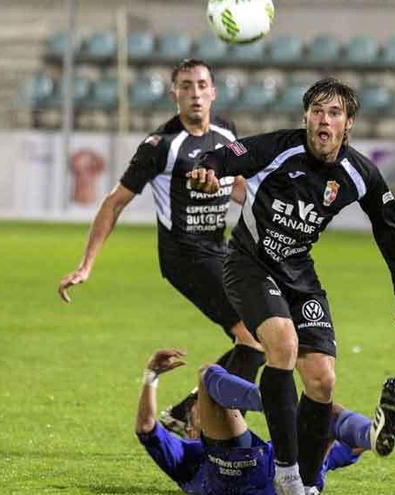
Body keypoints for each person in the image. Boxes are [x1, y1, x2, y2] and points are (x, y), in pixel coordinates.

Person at [187, 78, 395, 494]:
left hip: (299, 274)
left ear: (348, 123)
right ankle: (287, 475)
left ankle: (308, 485)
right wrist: (208, 168)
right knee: (283, 346)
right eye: (316, 111)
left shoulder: (359, 173)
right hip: (250, 264)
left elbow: (391, 231)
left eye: (333, 113)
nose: (322, 120)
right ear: (306, 117)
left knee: (322, 380)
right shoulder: (282, 148)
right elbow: (230, 155)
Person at [58, 59, 265, 433]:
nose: (195, 94)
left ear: (213, 92)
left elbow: (236, 186)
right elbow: (114, 201)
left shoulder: (227, 133)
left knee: (257, 343)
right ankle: (214, 430)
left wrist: (269, 211)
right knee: (254, 339)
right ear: (174, 95)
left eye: (202, 85)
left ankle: (190, 412)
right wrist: (86, 265)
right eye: (186, 86)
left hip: (220, 251)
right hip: (184, 256)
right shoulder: (161, 145)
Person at [135, 348, 395, 494]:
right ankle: (278, 403)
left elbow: (345, 448)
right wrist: (151, 377)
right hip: (237, 480)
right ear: (190, 428)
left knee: (324, 416)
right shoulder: (187, 455)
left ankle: (369, 432)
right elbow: (147, 428)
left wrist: (372, 435)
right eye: (197, 407)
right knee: (207, 375)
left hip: (294, 478)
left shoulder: (276, 448)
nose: (201, 407)